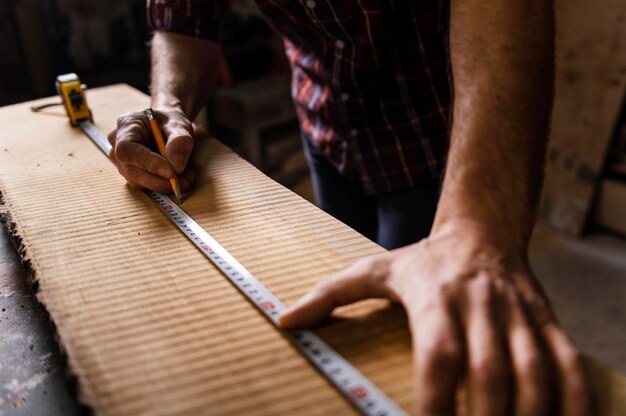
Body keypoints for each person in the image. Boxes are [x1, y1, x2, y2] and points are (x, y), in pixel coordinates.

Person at [107, 1, 593, 414]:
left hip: (434, 138)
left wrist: (478, 229)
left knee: (431, 341)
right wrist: (167, 104)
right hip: (327, 124)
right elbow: (187, 17)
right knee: (353, 306)